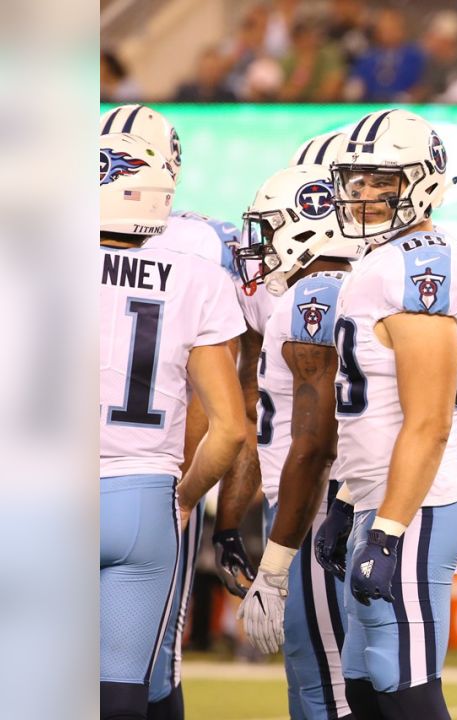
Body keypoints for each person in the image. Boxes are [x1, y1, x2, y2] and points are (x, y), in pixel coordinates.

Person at [313, 108, 457, 717]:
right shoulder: (386, 258)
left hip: (418, 504)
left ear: (425, 181)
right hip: (380, 494)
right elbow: (370, 408)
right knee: (362, 686)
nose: (363, 195)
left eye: (383, 181)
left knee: (401, 682)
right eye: (356, 180)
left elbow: (430, 419)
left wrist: (387, 529)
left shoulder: (419, 266)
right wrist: (344, 499)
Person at [100, 104, 264, 719]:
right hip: (158, 481)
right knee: (148, 670)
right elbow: (240, 400)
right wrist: (195, 496)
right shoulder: (206, 252)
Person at [229, 164, 367, 719]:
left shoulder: (313, 294)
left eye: (271, 227)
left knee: (324, 687)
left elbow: (316, 443)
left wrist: (276, 564)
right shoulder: (359, 285)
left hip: (319, 504)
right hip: (335, 497)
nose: (262, 246)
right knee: (343, 679)